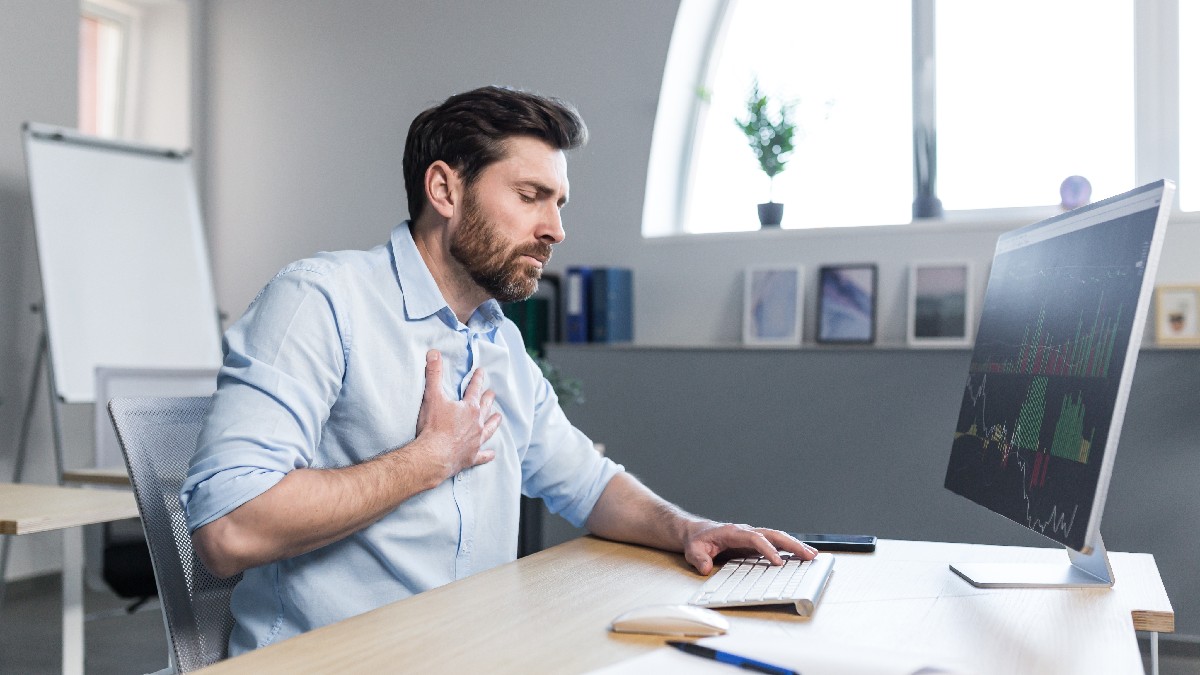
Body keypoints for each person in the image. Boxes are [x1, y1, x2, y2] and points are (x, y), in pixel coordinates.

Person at [181, 85, 816, 655]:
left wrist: (691, 529)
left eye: (559, 202)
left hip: (472, 652)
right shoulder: (320, 300)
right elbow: (229, 528)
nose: (556, 229)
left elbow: (586, 484)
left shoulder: (499, 342)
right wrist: (430, 459)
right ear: (444, 189)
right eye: (531, 196)